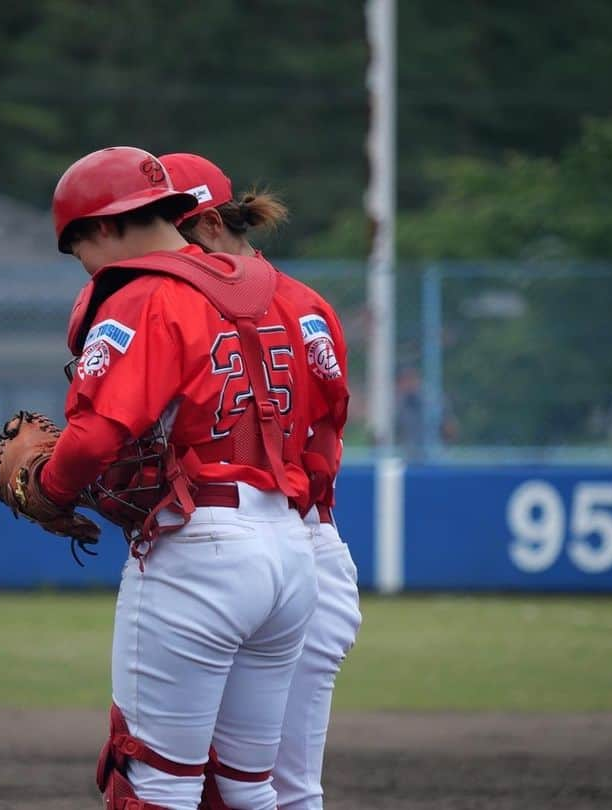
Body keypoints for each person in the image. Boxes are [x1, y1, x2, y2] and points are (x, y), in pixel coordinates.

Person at [39, 146, 319, 810]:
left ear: (104, 227)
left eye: (78, 245)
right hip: (287, 548)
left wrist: (48, 494)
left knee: (154, 785)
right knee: (249, 790)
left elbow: (95, 435)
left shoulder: (142, 295)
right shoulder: (272, 290)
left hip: (202, 553)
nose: (83, 263)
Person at [160, 153, 363, 810]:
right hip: (302, 549)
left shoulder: (188, 307)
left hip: (257, 543)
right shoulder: (309, 307)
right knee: (264, 787)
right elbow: (330, 428)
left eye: (173, 234)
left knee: (256, 786)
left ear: (212, 226)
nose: (165, 252)